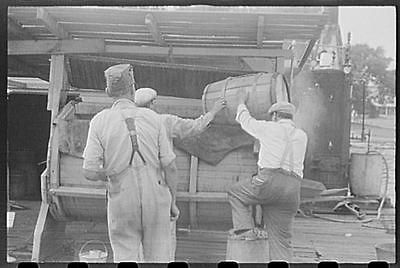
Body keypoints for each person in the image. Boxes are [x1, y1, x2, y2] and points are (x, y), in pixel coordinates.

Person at [82, 64, 178, 262]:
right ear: (134, 89)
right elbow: (170, 166)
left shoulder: (99, 121)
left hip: (121, 198)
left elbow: (89, 171)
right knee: (159, 259)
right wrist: (173, 202)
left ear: (108, 92)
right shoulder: (154, 119)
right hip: (156, 199)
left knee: (126, 257)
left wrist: (109, 173)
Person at [134, 87, 226, 260]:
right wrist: (213, 111)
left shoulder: (124, 123)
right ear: (153, 103)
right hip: (158, 192)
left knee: (138, 245)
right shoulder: (164, 121)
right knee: (164, 247)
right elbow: (195, 127)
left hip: (132, 193)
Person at [228, 89, 308, 262]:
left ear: (275, 115)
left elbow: (245, 121)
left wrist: (241, 102)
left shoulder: (269, 128)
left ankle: (246, 231)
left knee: (235, 193)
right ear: (291, 117)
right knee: (282, 242)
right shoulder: (302, 136)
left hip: (269, 181)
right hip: (292, 190)